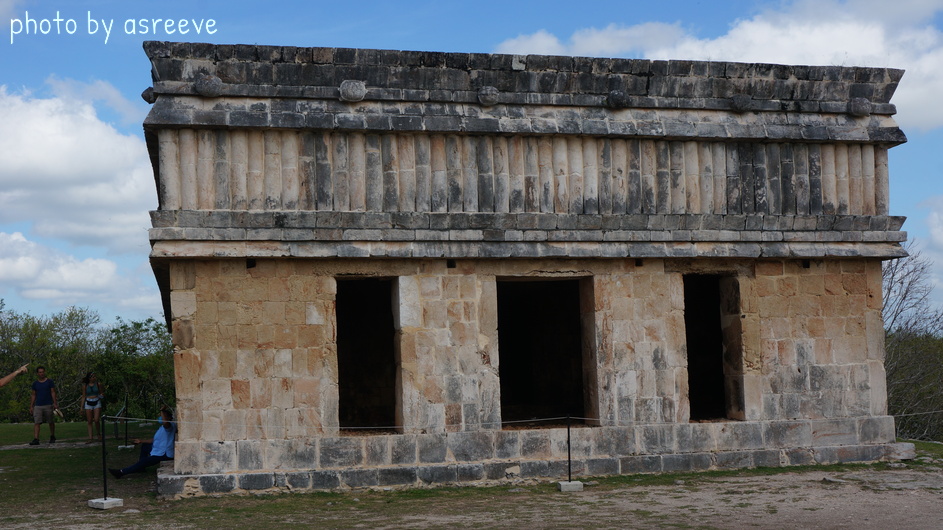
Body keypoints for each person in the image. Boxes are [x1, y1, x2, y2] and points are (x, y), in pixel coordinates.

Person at [109, 407, 175, 478]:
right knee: (145, 446)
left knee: (144, 461)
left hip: (163, 454)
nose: (160, 418)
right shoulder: (162, 427)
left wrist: (162, 410)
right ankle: (141, 468)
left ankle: (121, 472)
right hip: (158, 449)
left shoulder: (170, 426)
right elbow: (154, 440)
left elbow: (165, 422)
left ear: (168, 418)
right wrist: (141, 441)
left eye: (162, 416)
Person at [29, 366, 58, 445]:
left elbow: (53, 392)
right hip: (38, 405)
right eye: (40, 372)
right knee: (37, 422)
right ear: (37, 373)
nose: (41, 373)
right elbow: (33, 395)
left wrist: (55, 403)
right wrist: (31, 406)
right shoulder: (35, 383)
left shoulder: (49, 382)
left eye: (42, 372)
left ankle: (52, 436)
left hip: (48, 404)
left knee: (50, 421)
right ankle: (36, 439)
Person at [81, 372, 105, 443]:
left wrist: (102, 395)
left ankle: (98, 434)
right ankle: (90, 437)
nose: (94, 378)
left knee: (97, 419)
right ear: (89, 378)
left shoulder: (98, 384)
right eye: (93, 377)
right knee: (89, 421)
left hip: (96, 401)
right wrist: (81, 407)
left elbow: (101, 393)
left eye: (95, 376)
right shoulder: (85, 386)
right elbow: (83, 396)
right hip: (88, 402)